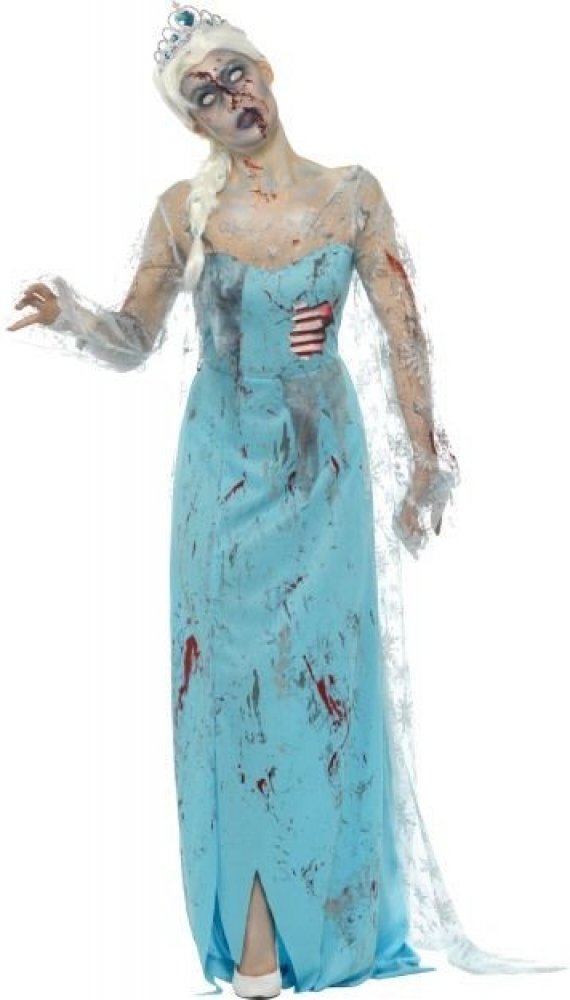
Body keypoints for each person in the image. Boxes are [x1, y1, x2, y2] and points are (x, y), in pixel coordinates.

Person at [6, 5, 567, 998]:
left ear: (267, 72)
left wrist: (427, 460)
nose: (229, 98)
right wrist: (74, 315)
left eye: (234, 75)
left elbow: (403, 334)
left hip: (320, 472)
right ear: (193, 122)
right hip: (219, 467)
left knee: (319, 681)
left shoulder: (351, 194)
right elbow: (137, 339)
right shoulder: (184, 210)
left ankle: (318, 921)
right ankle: (255, 933)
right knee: (228, 687)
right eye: (204, 95)